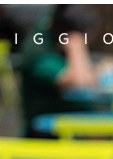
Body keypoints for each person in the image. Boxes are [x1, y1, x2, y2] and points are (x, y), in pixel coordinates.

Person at [18, 5, 100, 137]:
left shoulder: (52, 35)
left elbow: (91, 79)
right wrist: (76, 46)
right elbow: (81, 83)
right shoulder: (39, 53)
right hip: (46, 134)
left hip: (72, 124)